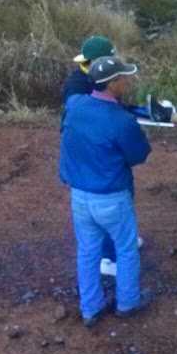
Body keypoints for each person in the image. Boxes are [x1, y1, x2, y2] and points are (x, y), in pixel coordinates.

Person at [59, 56, 152, 326]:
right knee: (125, 249)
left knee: (87, 251)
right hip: (111, 197)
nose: (128, 80)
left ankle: (90, 309)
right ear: (113, 84)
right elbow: (138, 155)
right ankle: (128, 303)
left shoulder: (75, 105)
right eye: (124, 77)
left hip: (79, 196)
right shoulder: (121, 121)